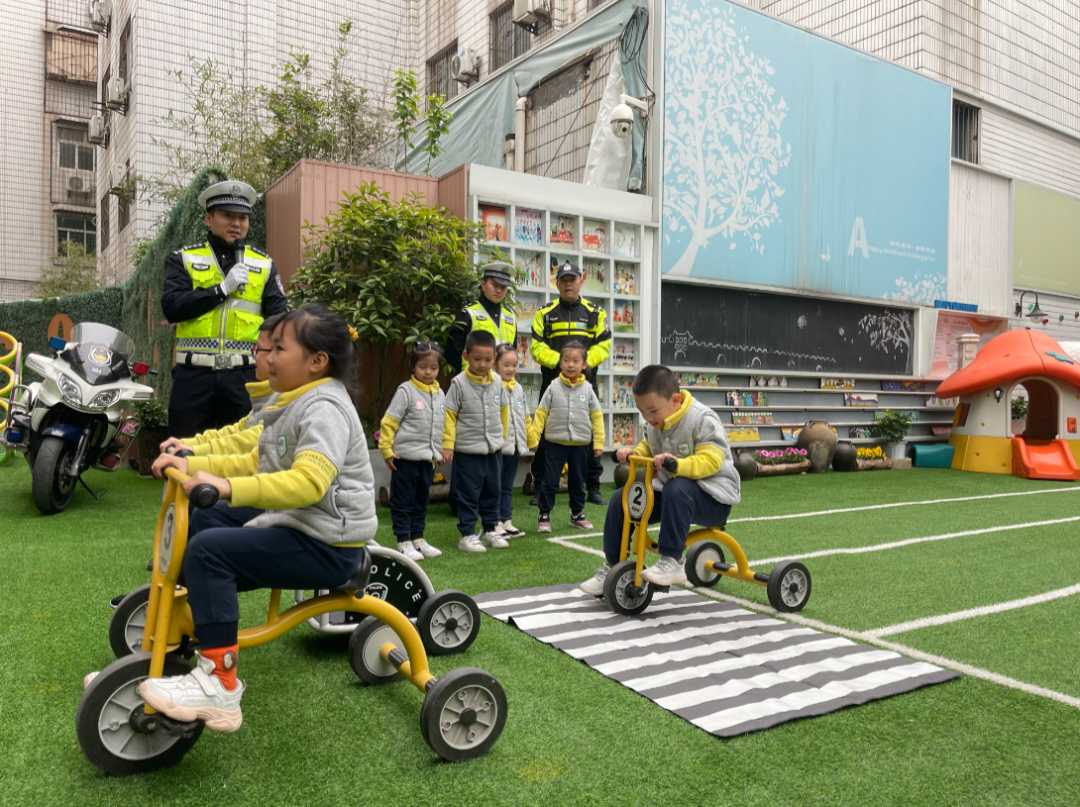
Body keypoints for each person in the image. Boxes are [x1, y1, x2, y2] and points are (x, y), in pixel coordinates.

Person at [139, 305, 376, 731]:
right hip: (299, 525)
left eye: (278, 349)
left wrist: (227, 487)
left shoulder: (325, 409)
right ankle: (180, 640)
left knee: (210, 553)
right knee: (204, 528)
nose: (265, 359)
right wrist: (194, 464)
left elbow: (308, 482)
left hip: (329, 545)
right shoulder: (296, 400)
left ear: (317, 361)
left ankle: (221, 686)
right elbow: (255, 456)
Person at [579, 365, 741, 595]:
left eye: (652, 411)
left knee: (678, 486)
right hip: (673, 495)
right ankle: (614, 565)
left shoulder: (702, 419)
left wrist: (677, 464)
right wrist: (633, 453)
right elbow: (649, 446)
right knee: (622, 498)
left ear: (675, 400)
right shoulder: (655, 422)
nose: (647, 417)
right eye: (642, 412)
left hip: (713, 497)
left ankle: (672, 561)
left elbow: (712, 460)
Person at [162, 180, 289, 439]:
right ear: (209, 219)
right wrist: (220, 290)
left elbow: (280, 321)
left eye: (242, 217)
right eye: (227, 215)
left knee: (245, 456)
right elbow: (172, 307)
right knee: (184, 456)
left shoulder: (264, 265)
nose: (236, 223)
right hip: (193, 377)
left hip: (245, 378)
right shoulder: (184, 259)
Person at [529, 261, 611, 507]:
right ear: (557, 283)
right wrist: (560, 363)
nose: (568, 284)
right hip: (552, 383)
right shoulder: (544, 313)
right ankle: (540, 486)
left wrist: (584, 363)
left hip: (585, 384)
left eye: (572, 279)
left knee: (588, 431)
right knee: (544, 432)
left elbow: (604, 345)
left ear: (581, 280)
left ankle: (593, 487)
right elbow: (536, 346)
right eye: (563, 280)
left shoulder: (595, 312)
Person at [160, 313, 284, 459]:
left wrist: (194, 454)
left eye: (258, 350)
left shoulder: (293, 406)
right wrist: (188, 444)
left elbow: (249, 443)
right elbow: (237, 432)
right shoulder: (264, 399)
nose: (254, 357)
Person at [442, 330, 509, 553]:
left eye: (488, 360)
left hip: (493, 450)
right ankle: (467, 535)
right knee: (468, 494)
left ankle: (490, 530)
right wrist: (448, 445)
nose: (482, 364)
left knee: (493, 491)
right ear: (466, 356)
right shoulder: (458, 384)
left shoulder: (498, 380)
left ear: (494, 359)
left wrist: (502, 438)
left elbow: (503, 410)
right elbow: (449, 415)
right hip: (468, 451)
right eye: (477, 359)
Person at [527, 342, 605, 534]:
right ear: (560, 363)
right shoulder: (553, 386)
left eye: (575, 361)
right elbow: (541, 412)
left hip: (580, 445)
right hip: (555, 443)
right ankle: (544, 514)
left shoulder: (587, 389)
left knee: (578, 481)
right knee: (550, 480)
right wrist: (534, 438)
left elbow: (597, 416)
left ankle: (577, 514)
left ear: (584, 365)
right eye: (566, 360)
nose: (570, 364)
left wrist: (599, 442)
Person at [379, 341, 446, 562]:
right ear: (413, 367)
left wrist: (442, 449)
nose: (428, 372)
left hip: (427, 460)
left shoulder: (439, 393)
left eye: (433, 367)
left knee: (421, 501)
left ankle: (418, 539)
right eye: (423, 367)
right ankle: (403, 541)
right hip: (404, 459)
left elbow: (443, 424)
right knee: (402, 501)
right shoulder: (406, 391)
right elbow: (389, 422)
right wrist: (386, 450)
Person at [445, 262, 518, 374]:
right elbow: (453, 354)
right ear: (483, 284)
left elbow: (512, 352)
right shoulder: (467, 314)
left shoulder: (510, 318)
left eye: (503, 287)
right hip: (473, 383)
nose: (498, 290)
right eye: (494, 285)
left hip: (503, 385)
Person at [494, 343, 529, 540]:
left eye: (514, 365)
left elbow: (525, 417)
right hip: (498, 447)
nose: (511, 369)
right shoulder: (492, 387)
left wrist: (530, 441)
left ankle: (506, 520)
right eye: (506, 365)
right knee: (495, 486)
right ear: (495, 365)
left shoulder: (518, 389)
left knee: (507, 485)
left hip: (514, 446)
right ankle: (494, 522)